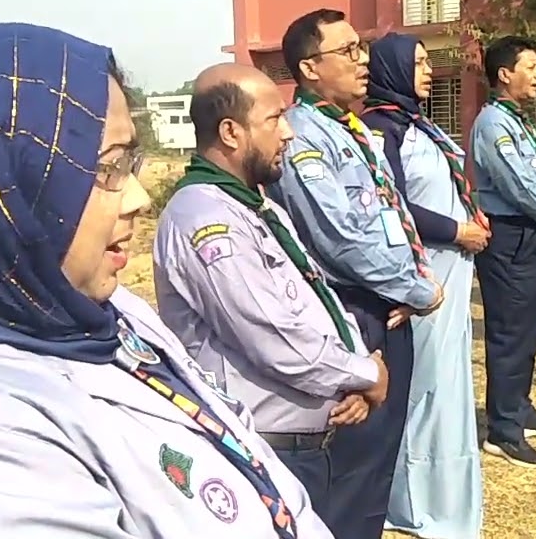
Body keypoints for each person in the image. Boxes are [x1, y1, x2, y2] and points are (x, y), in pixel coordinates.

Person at [0, 23, 331, 539]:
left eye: (131, 162)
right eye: (107, 169)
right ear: (0, 189)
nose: (140, 200)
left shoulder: (88, 309)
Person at [154, 62, 390, 525]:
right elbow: (273, 338)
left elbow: (314, 301)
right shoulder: (204, 218)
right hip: (267, 451)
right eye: (274, 119)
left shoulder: (255, 206)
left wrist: (357, 380)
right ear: (230, 132)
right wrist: (365, 373)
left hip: (311, 442)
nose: (288, 133)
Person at [267, 8, 443, 539]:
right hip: (354, 313)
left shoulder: (355, 132)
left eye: (360, 49)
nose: (362, 61)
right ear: (310, 68)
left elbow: (395, 215)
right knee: (351, 466)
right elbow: (339, 238)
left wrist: (415, 283)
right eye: (347, 52)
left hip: (391, 303)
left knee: (378, 461)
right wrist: (416, 288)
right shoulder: (304, 137)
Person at [358, 33, 484, 536]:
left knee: (449, 382)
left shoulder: (418, 124)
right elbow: (392, 202)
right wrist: (457, 230)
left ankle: (447, 494)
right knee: (425, 385)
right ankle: (413, 499)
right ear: (390, 68)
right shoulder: (376, 128)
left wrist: (470, 222)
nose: (429, 70)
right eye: (419, 62)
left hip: (453, 266)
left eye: (429, 61)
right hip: (421, 270)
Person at [471, 35, 536, 469]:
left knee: (529, 328)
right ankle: (503, 430)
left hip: (534, 234)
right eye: (530, 67)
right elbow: (521, 186)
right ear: (504, 74)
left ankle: (520, 406)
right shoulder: (493, 124)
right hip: (511, 238)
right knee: (511, 332)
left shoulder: (519, 121)